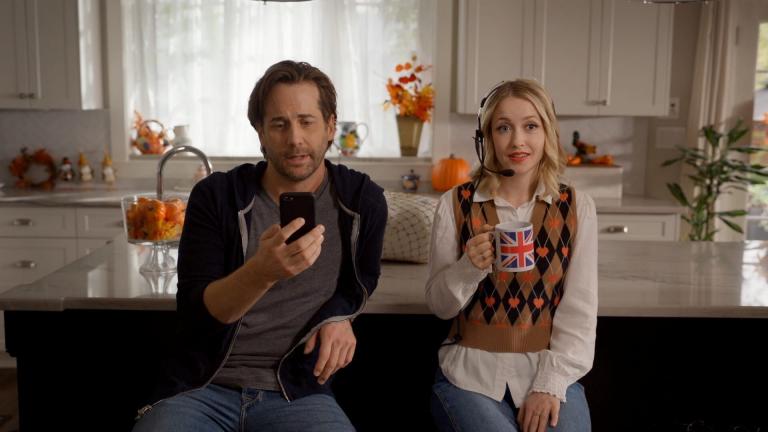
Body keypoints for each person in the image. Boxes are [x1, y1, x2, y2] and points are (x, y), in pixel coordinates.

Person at [133, 60, 388, 432]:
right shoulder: (216, 197)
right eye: (279, 124)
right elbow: (196, 314)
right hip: (201, 387)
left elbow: (362, 280)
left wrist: (341, 316)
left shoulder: (362, 201)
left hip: (298, 393)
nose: (295, 139)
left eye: (306, 122)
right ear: (260, 133)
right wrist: (262, 272)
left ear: (330, 126)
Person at [425, 79, 597, 432]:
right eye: (503, 128)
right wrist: (468, 267)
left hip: (548, 370)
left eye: (530, 126)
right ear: (485, 138)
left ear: (548, 133)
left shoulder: (577, 206)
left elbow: (579, 309)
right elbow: (440, 307)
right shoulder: (454, 204)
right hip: (468, 374)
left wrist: (549, 384)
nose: (517, 141)